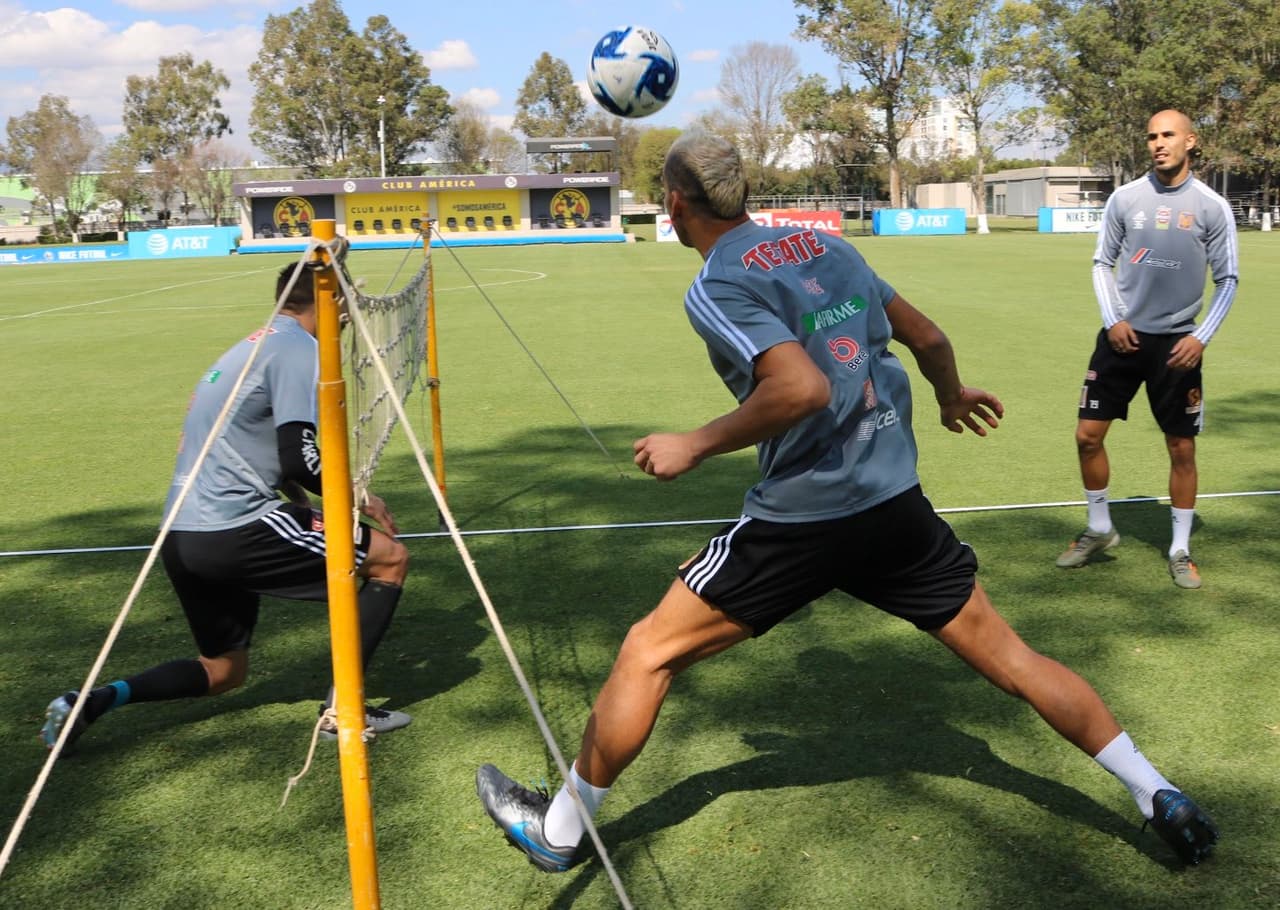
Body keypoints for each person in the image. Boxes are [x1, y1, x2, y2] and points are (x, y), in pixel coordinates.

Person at [475, 131, 1218, 873]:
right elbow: (926, 337)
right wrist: (951, 395)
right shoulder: (820, 246)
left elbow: (800, 388)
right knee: (1016, 660)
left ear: (674, 205)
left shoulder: (716, 284)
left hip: (804, 519)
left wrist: (695, 443)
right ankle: (1156, 792)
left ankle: (560, 831)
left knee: (647, 653)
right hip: (895, 507)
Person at [41, 249, 412, 753]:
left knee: (223, 671)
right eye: (346, 306)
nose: (348, 319)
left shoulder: (251, 346)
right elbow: (300, 457)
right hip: (235, 527)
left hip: (181, 535)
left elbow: (267, 456)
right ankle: (343, 710)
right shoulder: (299, 350)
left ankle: (93, 701)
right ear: (330, 305)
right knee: (390, 560)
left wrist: (306, 502)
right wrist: (363, 498)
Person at [1056, 109, 1238, 588]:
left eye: (1168, 135)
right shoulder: (1124, 199)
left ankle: (1179, 549)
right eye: (1152, 136)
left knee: (1181, 446)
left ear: (1190, 142)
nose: (1159, 143)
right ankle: (1099, 528)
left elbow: (1229, 279)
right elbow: (1101, 262)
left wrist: (1201, 337)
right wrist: (1113, 319)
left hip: (1178, 346)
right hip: (1121, 339)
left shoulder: (1211, 206)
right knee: (1087, 436)